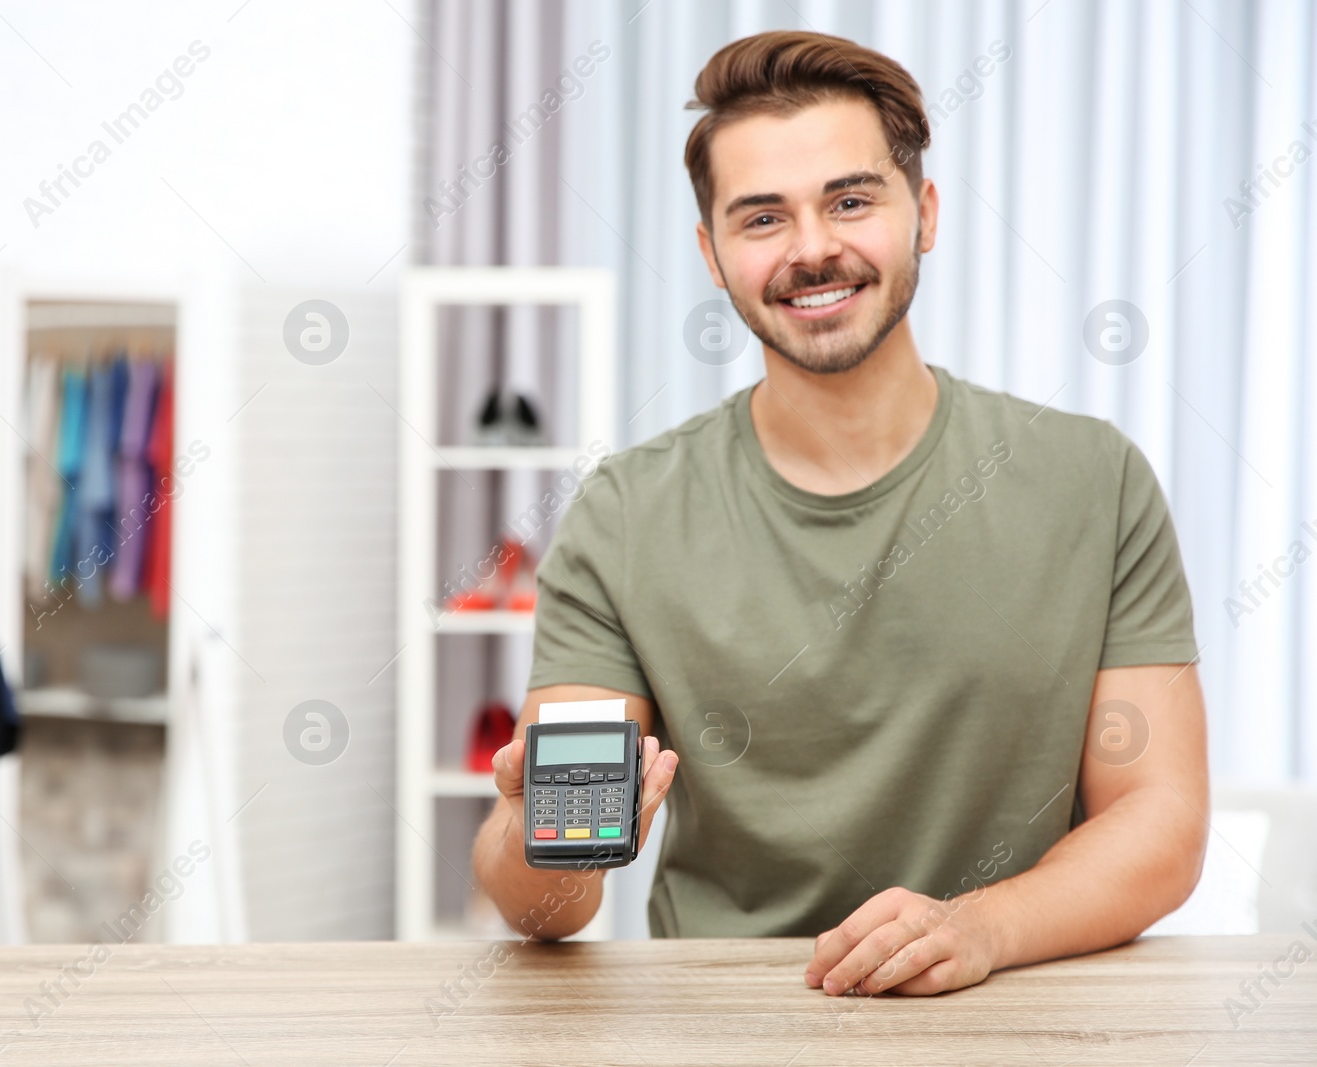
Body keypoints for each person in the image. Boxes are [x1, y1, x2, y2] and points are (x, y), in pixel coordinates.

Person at [471, 29, 1208, 998]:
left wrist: (978, 927)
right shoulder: (627, 513)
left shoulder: (1091, 479)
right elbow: (543, 911)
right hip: (719, 1025)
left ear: (924, 213)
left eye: (850, 201)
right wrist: (543, 840)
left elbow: (1158, 817)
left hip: (1013, 1003)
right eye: (762, 218)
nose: (812, 248)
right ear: (712, 253)